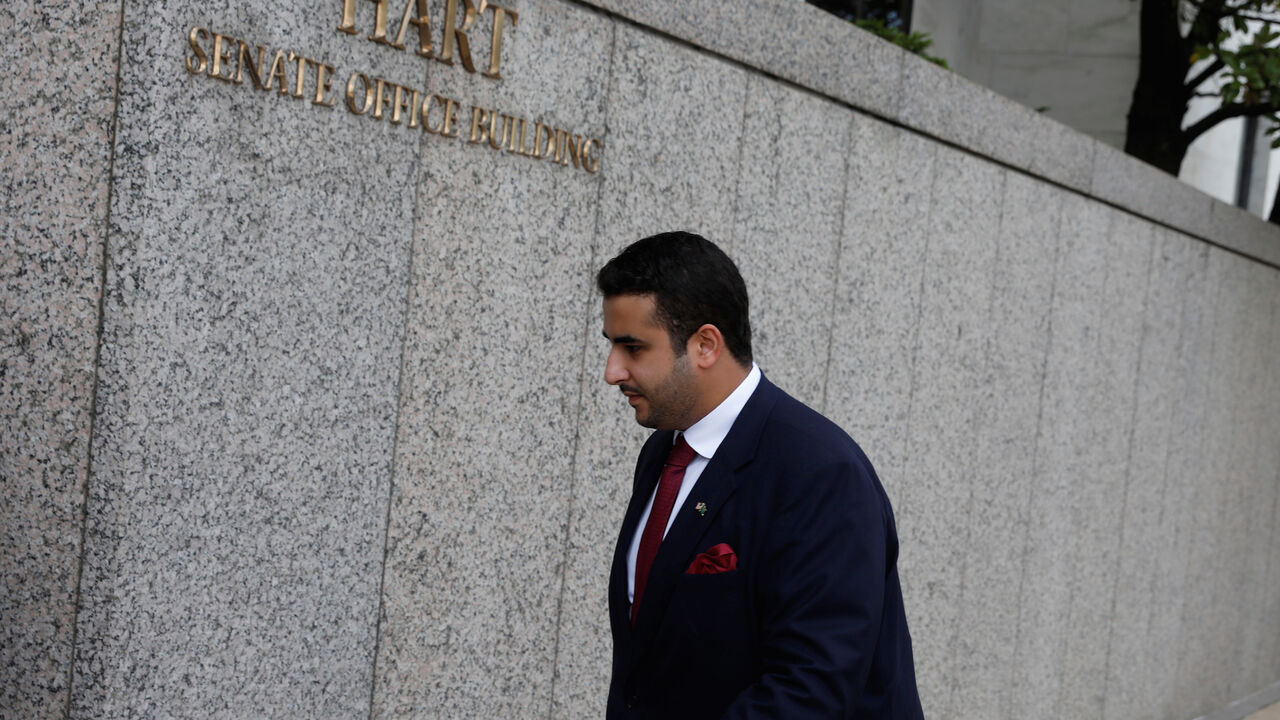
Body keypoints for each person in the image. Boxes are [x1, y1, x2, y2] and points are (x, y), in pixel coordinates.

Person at [597, 231, 924, 719]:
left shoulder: (821, 474)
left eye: (633, 348)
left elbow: (811, 689)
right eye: (612, 346)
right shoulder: (664, 454)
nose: (612, 371)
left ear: (706, 344)